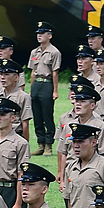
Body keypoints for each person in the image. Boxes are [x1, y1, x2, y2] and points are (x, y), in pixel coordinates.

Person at [27, 22, 62, 156]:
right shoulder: (34, 52)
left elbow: (55, 72)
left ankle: (48, 145)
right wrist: (31, 88)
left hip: (47, 84)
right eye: (38, 34)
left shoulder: (54, 52)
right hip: (37, 84)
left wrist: (55, 90)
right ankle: (40, 144)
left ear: (50, 36)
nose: (39, 36)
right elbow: (32, 72)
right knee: (36, 116)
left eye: (42, 34)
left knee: (47, 115)